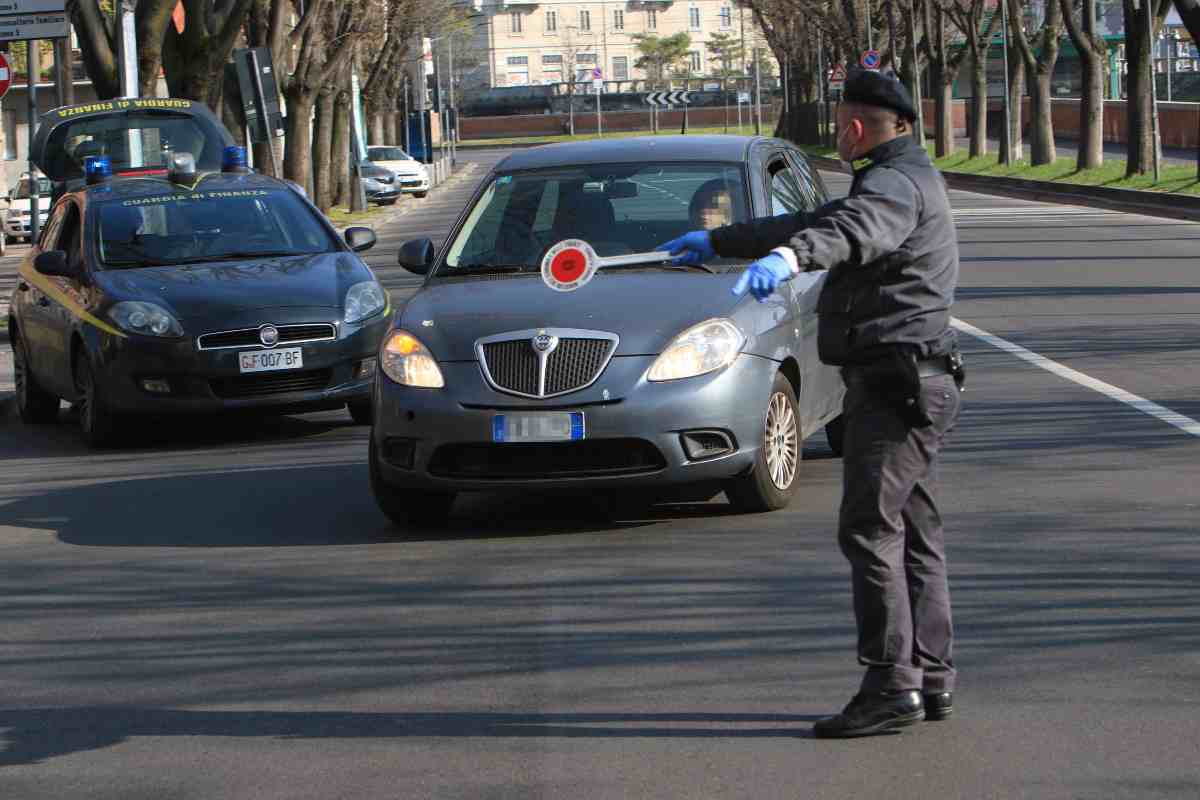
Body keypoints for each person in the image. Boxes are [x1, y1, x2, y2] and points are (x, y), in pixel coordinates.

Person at [660, 69, 964, 739]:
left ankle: (891, 685)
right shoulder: (906, 172)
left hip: (894, 385)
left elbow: (845, 231)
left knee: (869, 531)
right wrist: (722, 241)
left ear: (855, 129)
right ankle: (932, 678)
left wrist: (791, 260)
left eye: (839, 123)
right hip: (916, 381)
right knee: (916, 534)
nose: (836, 132)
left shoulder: (890, 186)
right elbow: (815, 218)